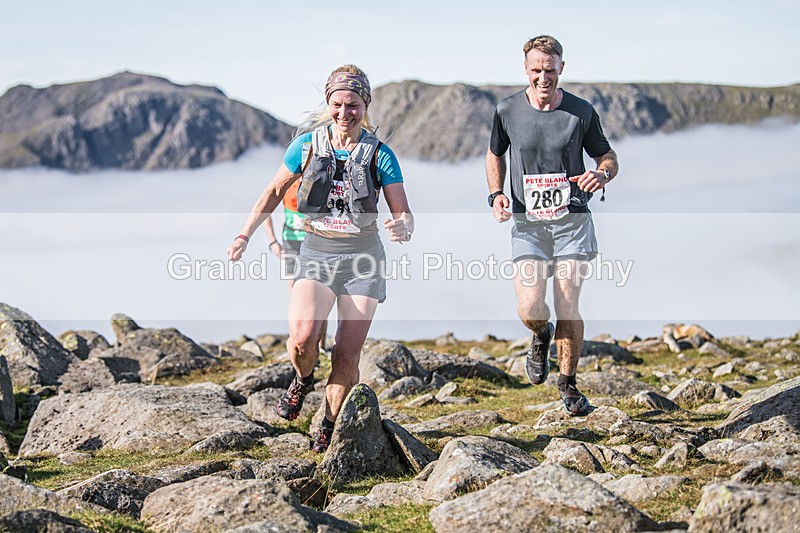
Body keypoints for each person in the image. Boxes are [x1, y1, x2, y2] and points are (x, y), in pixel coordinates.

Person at [228, 65, 413, 452]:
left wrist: (402, 227)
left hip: (364, 259)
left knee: (347, 352)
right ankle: (302, 378)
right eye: (338, 104)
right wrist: (245, 233)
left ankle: (328, 424)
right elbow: (273, 192)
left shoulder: (380, 155)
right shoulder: (307, 146)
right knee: (302, 340)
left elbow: (403, 212)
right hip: (316, 253)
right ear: (328, 104)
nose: (345, 112)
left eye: (353, 105)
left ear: (366, 106)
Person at [485, 35, 619, 416]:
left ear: (562, 67)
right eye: (536, 71)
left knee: (567, 301)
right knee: (530, 305)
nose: (543, 78)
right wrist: (496, 194)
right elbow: (495, 155)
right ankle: (540, 335)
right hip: (528, 223)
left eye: (550, 70)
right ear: (525, 70)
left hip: (573, 219)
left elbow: (607, 156)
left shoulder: (580, 111)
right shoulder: (506, 110)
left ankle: (568, 385)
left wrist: (603, 174)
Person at [262, 184, 328, 353]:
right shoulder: (286, 183)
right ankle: (297, 346)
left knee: (319, 299)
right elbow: (264, 210)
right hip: (291, 244)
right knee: (296, 300)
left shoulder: (319, 180)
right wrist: (273, 242)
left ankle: (320, 348)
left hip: (315, 245)